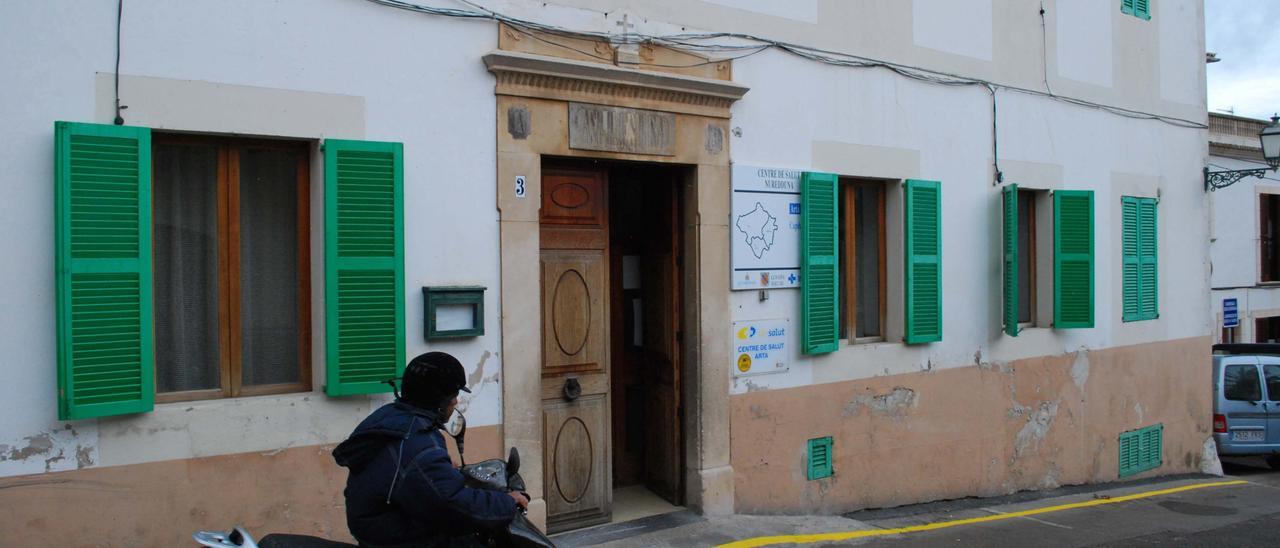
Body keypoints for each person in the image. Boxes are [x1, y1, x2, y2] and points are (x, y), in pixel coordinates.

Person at [333, 351, 529, 547]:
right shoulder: (418, 442)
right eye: (454, 395)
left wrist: (439, 466)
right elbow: (453, 504)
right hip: (401, 538)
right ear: (440, 399)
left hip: (377, 528)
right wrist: (507, 502)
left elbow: (410, 474)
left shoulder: (391, 417)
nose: (456, 402)